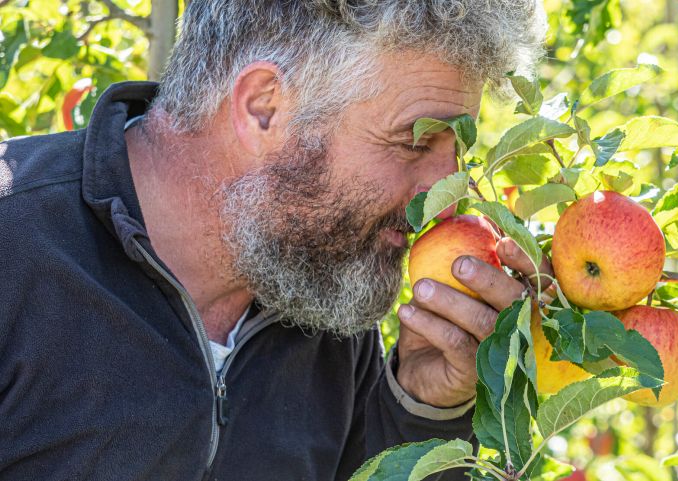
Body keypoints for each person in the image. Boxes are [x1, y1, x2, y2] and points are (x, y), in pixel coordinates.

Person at [0, 1, 551, 480]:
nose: (447, 203)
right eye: (413, 143)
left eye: (457, 153)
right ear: (263, 106)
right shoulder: (15, 246)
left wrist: (424, 408)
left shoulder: (320, 287)